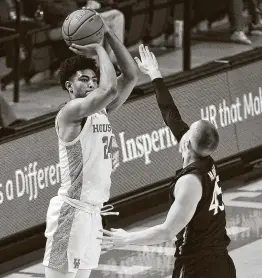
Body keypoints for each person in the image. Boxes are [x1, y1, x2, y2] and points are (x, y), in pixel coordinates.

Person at [100, 44, 236, 278]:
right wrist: (154, 74)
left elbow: (167, 230)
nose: (184, 129)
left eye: (188, 130)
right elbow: (170, 114)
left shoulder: (191, 182)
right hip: (222, 263)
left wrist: (126, 239)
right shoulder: (205, 159)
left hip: (199, 267)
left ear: (187, 144)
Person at [43, 17, 138, 278]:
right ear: (69, 87)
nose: (92, 83)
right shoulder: (71, 112)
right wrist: (97, 48)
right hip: (70, 212)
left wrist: (107, 34)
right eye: (84, 79)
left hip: (93, 214)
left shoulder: (101, 110)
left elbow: (131, 75)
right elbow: (108, 89)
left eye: (94, 78)